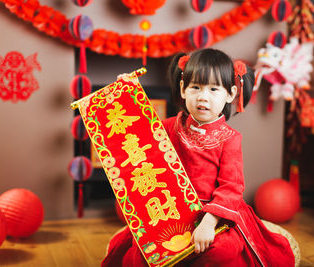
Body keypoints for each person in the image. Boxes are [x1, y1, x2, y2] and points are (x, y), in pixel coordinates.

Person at [102, 48, 295, 267]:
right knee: (139, 257)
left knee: (223, 252)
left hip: (214, 215)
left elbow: (231, 188)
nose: (203, 96)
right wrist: (124, 95)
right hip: (171, 212)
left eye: (214, 89)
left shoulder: (230, 139)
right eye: (196, 87)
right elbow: (135, 138)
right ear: (183, 89)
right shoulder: (168, 127)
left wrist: (208, 223)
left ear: (230, 94)